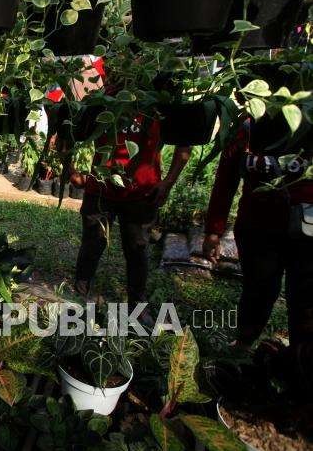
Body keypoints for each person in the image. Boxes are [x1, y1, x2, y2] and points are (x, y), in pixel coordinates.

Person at [203, 121, 313, 360]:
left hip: (306, 235)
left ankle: (301, 358)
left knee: (305, 299)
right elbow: (226, 179)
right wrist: (214, 230)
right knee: (257, 290)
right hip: (257, 230)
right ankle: (243, 343)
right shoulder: (247, 130)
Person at [69, 115, 192, 313]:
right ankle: (79, 293)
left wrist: (167, 183)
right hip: (100, 189)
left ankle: (137, 305)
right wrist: (70, 169)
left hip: (141, 193)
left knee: (138, 249)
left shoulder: (160, 102)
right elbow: (67, 125)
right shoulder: (104, 98)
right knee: (92, 242)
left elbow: (185, 144)